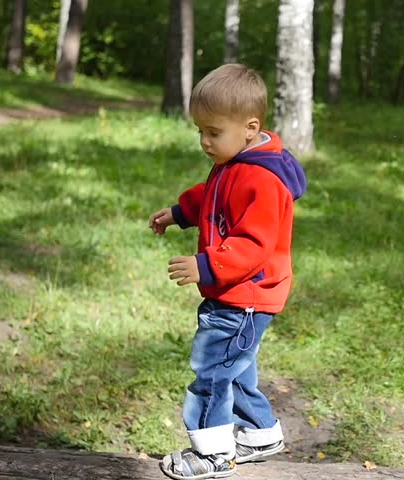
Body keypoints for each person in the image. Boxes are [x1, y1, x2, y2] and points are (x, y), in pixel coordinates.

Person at [148, 63, 307, 480]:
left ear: (250, 128)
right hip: (238, 294)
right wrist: (181, 212)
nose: (204, 141)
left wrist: (205, 265)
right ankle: (260, 434)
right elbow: (215, 196)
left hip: (245, 294)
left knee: (213, 371)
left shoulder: (262, 180)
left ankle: (213, 454)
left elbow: (253, 246)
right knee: (235, 368)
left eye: (212, 132)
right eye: (199, 131)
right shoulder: (235, 161)